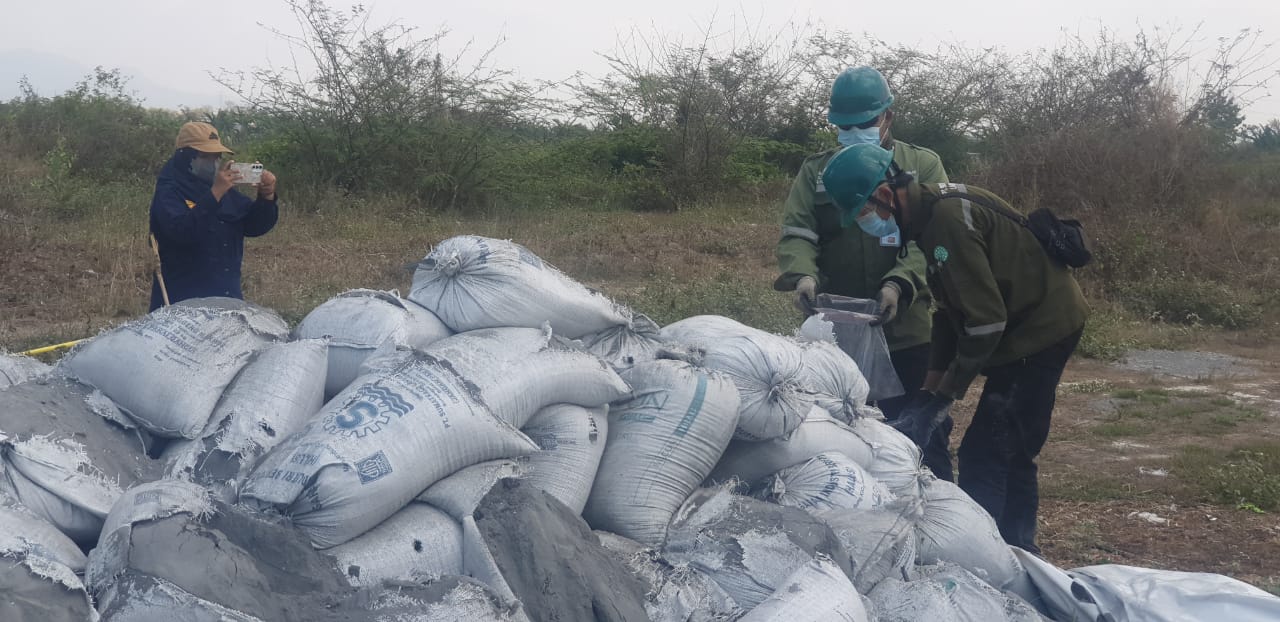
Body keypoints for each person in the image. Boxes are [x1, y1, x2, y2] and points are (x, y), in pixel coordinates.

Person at [820, 143, 1089, 554]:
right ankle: (1007, 547)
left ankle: (997, 554)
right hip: (1017, 328)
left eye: (863, 211)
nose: (865, 223)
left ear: (886, 194)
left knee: (994, 450)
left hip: (1042, 329)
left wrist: (945, 397)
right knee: (997, 445)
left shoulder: (946, 221)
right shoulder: (927, 221)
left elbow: (985, 323)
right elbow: (949, 315)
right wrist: (926, 393)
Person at [774, 66, 953, 480]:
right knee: (837, 432)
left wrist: (898, 284)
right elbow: (798, 232)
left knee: (924, 433)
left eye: (865, 122)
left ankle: (941, 517)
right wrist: (803, 275)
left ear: (888, 116)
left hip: (908, 331)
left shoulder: (922, 166)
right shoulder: (818, 171)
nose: (855, 130)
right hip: (836, 332)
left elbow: (934, 242)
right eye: (845, 125)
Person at [149, 121, 279, 311]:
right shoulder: (169, 191)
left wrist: (266, 197)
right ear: (185, 157)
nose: (214, 163)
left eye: (217, 157)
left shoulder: (223, 189)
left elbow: (254, 226)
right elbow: (182, 232)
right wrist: (214, 195)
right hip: (182, 305)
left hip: (227, 299)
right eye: (205, 157)